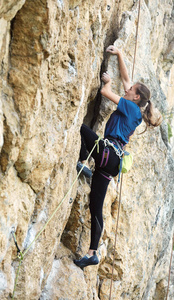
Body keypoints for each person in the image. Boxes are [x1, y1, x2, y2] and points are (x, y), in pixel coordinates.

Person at [74, 45, 162, 269]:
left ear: (136, 96)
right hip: (110, 163)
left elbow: (106, 92)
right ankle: (92, 253)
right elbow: (126, 78)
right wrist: (120, 54)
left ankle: (84, 160)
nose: (127, 89)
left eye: (130, 89)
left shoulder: (131, 109)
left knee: (83, 129)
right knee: (96, 206)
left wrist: (107, 82)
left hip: (108, 154)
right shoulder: (135, 108)